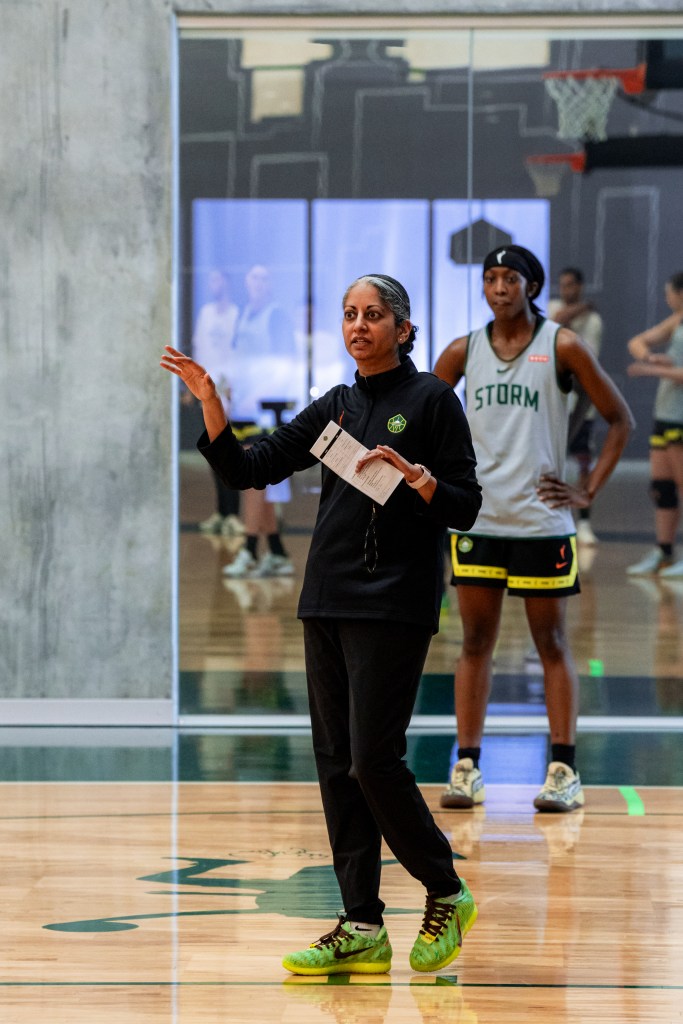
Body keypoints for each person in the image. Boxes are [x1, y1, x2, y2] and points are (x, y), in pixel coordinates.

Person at [161, 274, 482, 975]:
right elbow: (250, 468)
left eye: (372, 315)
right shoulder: (335, 406)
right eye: (348, 315)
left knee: (374, 759)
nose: (358, 325)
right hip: (326, 598)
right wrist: (213, 405)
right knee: (337, 766)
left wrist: (421, 479)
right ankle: (361, 921)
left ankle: (445, 888)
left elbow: (464, 505)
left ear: (402, 328)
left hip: (393, 601)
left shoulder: (430, 400)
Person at [433, 245, 633, 814]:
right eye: (490, 278)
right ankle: (467, 766)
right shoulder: (462, 350)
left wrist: (587, 489)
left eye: (510, 278)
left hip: (543, 523)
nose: (499, 287)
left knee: (550, 643)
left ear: (531, 286)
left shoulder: (562, 346)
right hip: (478, 519)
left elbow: (621, 419)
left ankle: (564, 770)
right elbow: (422, 412)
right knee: (474, 643)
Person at [225, 264, 299, 578]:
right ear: (246, 282)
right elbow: (237, 361)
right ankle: (278, 552)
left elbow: (286, 366)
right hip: (243, 411)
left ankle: (249, 549)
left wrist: (256, 395)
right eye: (253, 276)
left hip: (268, 413)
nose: (258, 283)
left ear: (270, 285)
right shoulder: (243, 315)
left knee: (254, 482)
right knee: (259, 486)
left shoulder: (277, 316)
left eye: (264, 278)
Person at [625, 271, 683, 577]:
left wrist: (651, 369)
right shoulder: (676, 321)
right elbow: (637, 341)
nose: (666, 298)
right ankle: (665, 553)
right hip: (666, 415)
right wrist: (650, 355)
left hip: (681, 419)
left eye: (669, 292)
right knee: (662, 488)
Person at [548, 267, 604, 546]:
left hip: (583, 405)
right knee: (551, 460)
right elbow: (556, 321)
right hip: (554, 403)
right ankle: (555, 514)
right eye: (563, 285)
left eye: (571, 285)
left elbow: (586, 358)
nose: (566, 290)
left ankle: (584, 522)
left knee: (583, 462)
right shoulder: (554, 307)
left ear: (580, 286)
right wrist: (580, 307)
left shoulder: (593, 321)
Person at [190, 269, 244, 538]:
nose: (213, 284)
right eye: (210, 280)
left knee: (228, 451)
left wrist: (234, 389)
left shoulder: (236, 315)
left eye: (217, 279)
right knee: (213, 453)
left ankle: (234, 514)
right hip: (206, 393)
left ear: (226, 282)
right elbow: (198, 350)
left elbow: (238, 354)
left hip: (229, 394)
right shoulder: (206, 314)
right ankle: (221, 512)